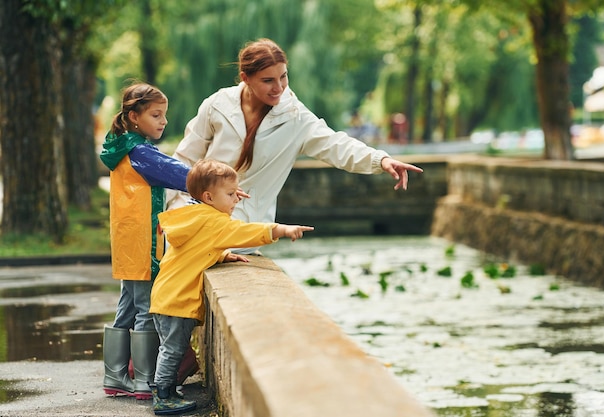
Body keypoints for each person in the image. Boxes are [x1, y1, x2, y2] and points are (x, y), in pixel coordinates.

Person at [167, 38, 423, 255]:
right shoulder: (217, 105)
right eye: (268, 80)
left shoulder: (295, 117)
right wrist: (165, 210)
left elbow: (336, 145)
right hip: (192, 220)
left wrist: (381, 160)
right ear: (245, 78)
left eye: (283, 76)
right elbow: (184, 159)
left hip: (241, 231)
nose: (278, 87)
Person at [149, 158, 313, 415]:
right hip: (177, 300)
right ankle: (164, 396)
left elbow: (193, 250)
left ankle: (164, 388)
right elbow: (246, 232)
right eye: (230, 194)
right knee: (172, 349)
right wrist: (281, 229)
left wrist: (221, 255)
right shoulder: (215, 222)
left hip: (164, 294)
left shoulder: (193, 216)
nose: (237, 199)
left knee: (168, 347)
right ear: (208, 197)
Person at [99, 82, 195, 400]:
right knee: (146, 307)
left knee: (128, 305)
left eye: (164, 115)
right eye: (156, 115)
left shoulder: (124, 146)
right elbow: (179, 173)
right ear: (134, 116)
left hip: (127, 239)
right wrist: (214, 180)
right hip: (142, 240)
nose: (163, 121)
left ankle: (115, 376)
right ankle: (143, 380)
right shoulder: (139, 151)